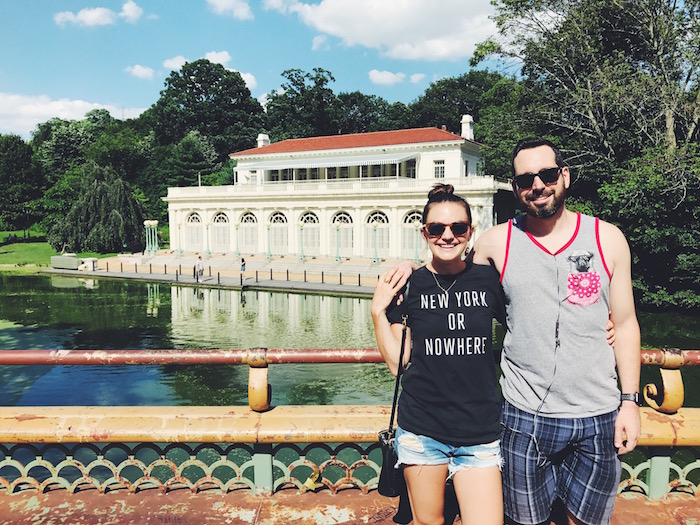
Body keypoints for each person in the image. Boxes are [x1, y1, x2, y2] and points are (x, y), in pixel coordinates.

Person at [391, 137, 640, 525]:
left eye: (547, 174)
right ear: (515, 188)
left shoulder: (608, 239)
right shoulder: (495, 243)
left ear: (565, 176)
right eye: (526, 179)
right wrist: (407, 268)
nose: (538, 185)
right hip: (524, 415)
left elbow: (625, 324)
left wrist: (630, 401)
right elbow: (449, 264)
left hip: (598, 412)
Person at [372, 184, 505, 525]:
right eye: (437, 229)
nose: (448, 236)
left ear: (470, 232)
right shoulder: (410, 285)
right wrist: (377, 313)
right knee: (428, 522)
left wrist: (600, 325)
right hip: (422, 427)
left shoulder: (488, 279)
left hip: (479, 429)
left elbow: (528, 321)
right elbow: (397, 364)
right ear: (424, 233)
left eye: (458, 228)